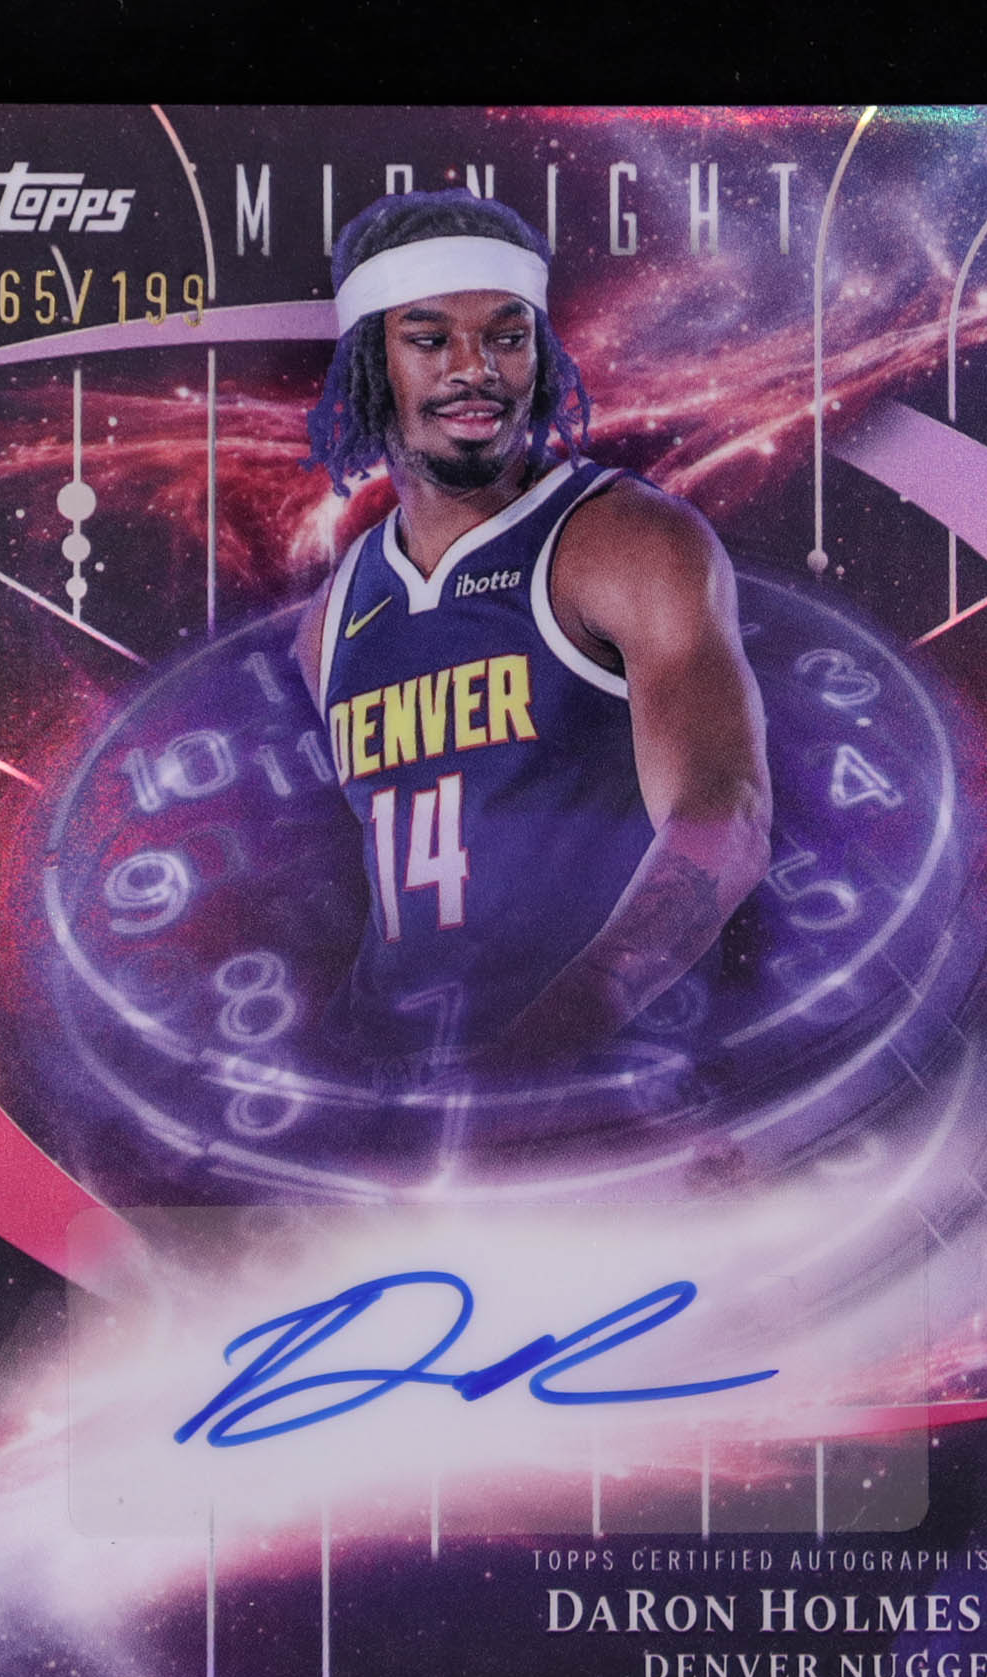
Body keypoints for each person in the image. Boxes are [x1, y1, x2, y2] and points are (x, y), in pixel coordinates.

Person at [293, 189, 771, 1072]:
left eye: (506, 337)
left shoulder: (623, 538)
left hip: (590, 1074)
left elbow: (723, 816)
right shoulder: (332, 617)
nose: (474, 369)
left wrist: (564, 1025)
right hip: (399, 1083)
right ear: (369, 362)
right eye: (430, 340)